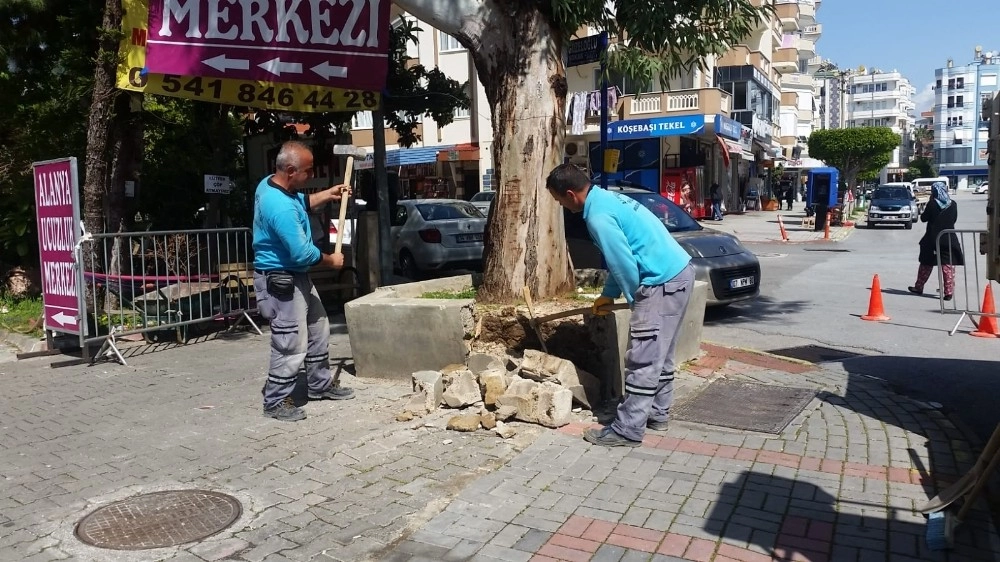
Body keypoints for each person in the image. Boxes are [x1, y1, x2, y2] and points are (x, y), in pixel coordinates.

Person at [546, 164, 695, 447]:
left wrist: (634, 299)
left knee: (642, 356)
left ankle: (628, 429)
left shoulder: (598, 217)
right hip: (679, 271)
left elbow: (624, 264)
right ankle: (657, 412)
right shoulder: (608, 198)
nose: (561, 206)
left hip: (659, 281)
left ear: (570, 194)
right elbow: (622, 256)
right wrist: (608, 294)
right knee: (660, 353)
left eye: (559, 200)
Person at [253, 141, 356, 422]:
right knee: (290, 342)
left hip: (296, 275)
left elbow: (302, 202)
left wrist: (328, 194)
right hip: (280, 280)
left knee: (319, 327)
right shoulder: (279, 207)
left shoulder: (273, 184)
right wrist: (330, 260)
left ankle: (319, 384)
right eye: (308, 171)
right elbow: (301, 252)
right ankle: (275, 401)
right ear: (290, 170)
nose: (311, 175)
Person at [908, 182, 964, 301]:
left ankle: (919, 287)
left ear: (934, 192)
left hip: (932, 239)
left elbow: (923, 219)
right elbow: (954, 219)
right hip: (948, 238)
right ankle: (948, 292)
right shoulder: (953, 204)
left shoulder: (932, 204)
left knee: (926, 263)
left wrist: (930, 202)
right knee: (948, 265)